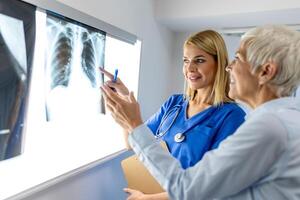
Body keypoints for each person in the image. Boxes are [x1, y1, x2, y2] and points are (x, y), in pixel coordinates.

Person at [101, 24, 300, 200]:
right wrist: (127, 114)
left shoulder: (264, 126)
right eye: (185, 60)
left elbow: (190, 189)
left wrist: (135, 124)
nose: (230, 67)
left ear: (266, 71)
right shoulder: (282, 120)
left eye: (238, 59)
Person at [101, 30, 245, 199]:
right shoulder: (174, 104)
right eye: (186, 60)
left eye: (199, 60)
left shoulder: (232, 117)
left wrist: (147, 199)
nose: (190, 68)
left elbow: (212, 187)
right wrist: (124, 100)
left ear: (218, 63)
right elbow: (132, 143)